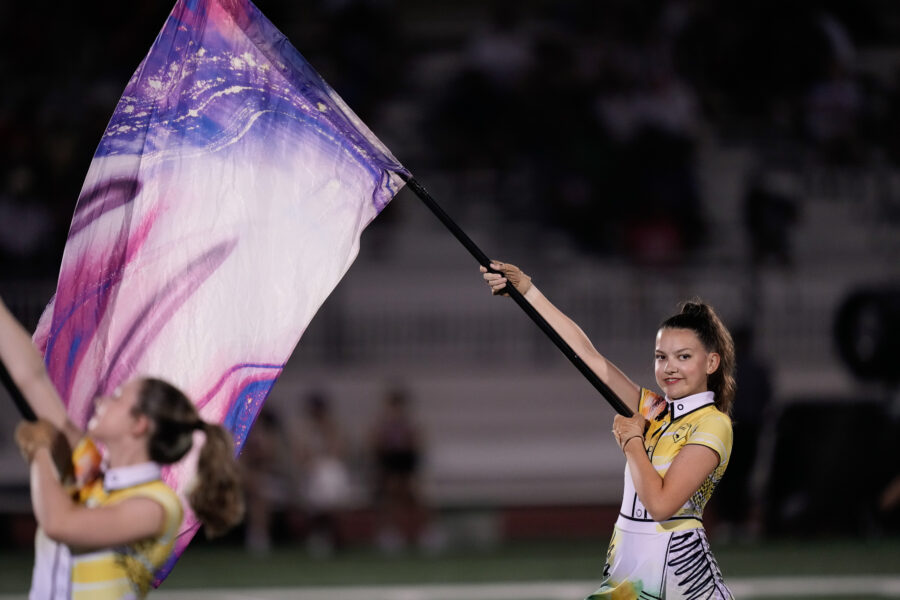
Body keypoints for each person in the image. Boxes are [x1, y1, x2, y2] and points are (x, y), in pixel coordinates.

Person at [482, 261, 735, 599]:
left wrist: (632, 441)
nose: (669, 367)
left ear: (711, 362)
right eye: (661, 357)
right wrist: (528, 291)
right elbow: (588, 357)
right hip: (629, 574)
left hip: (678, 581)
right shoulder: (656, 411)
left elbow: (661, 505)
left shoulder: (713, 424)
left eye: (683, 356)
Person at [0, 296, 244, 600]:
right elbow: (32, 379)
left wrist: (39, 453)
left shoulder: (156, 506)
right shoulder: (92, 475)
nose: (102, 401)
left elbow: (59, 523)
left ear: (139, 425)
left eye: (117, 397)